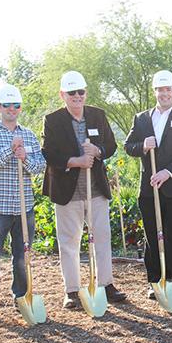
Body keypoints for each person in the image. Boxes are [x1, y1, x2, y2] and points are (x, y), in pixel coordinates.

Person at [41, 70, 126, 309]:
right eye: (72, 92)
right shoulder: (53, 120)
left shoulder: (97, 115)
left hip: (96, 188)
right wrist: (75, 161)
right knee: (69, 241)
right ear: (63, 95)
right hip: (67, 190)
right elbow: (49, 153)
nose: (77, 96)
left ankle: (106, 285)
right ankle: (72, 291)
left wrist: (97, 151)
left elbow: (110, 144)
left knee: (102, 237)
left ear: (85, 92)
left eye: (80, 91)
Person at [124, 70, 172, 302]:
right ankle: (157, 281)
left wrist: (167, 172)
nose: (164, 93)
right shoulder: (142, 119)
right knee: (153, 236)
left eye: (168, 89)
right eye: (160, 89)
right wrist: (143, 147)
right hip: (149, 190)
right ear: (155, 92)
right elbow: (128, 146)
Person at [0, 84, 46, 322]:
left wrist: (24, 156)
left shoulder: (29, 135)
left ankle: (21, 297)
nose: (11, 110)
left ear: (20, 108)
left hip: (24, 208)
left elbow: (39, 167)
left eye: (16, 106)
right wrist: (10, 150)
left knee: (21, 257)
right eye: (7, 105)